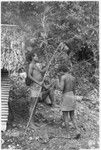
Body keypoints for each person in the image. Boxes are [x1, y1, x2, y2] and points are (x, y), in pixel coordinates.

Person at [28, 53, 54, 128]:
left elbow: (42, 71)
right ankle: (31, 124)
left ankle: (32, 123)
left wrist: (48, 65)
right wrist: (38, 82)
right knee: (32, 106)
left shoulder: (35, 65)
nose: (37, 57)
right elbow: (29, 76)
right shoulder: (31, 65)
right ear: (32, 57)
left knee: (35, 106)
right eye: (36, 56)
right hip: (34, 87)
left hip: (38, 87)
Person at [56, 65, 80, 139]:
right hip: (72, 95)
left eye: (60, 72)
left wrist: (57, 81)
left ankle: (68, 135)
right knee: (72, 116)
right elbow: (74, 90)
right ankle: (77, 130)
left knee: (65, 117)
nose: (60, 73)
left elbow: (61, 88)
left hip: (66, 96)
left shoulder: (63, 77)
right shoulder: (73, 77)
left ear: (62, 71)